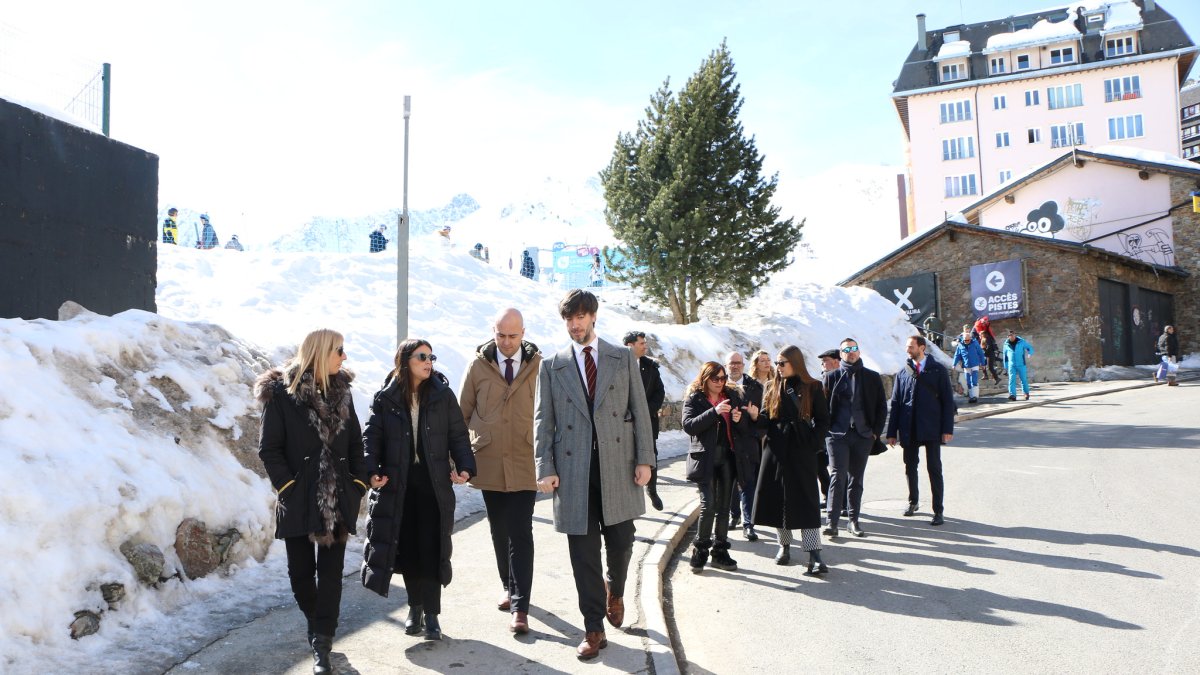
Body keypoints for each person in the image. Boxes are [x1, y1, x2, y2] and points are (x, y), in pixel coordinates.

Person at [534, 289, 654, 661]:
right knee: (582, 554)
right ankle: (593, 628)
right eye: (569, 319)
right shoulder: (552, 365)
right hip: (573, 473)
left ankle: (614, 591)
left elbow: (641, 410)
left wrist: (645, 459)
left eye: (581, 317)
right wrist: (545, 467)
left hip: (618, 466)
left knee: (621, 542)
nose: (575, 324)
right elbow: (543, 421)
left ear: (593, 316)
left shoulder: (621, 358)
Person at [255, 329, 369, 675]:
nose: (344, 357)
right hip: (298, 498)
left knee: (332, 575)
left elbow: (355, 445)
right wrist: (288, 486)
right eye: (339, 351)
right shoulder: (282, 395)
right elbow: (269, 449)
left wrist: (358, 483)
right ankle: (317, 620)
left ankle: (322, 643)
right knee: (300, 574)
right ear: (321, 353)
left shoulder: (343, 393)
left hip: (337, 499)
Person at [360, 339, 475, 642]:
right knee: (409, 549)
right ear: (405, 360)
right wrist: (371, 471)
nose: (429, 361)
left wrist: (465, 466)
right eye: (422, 356)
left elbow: (458, 435)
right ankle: (415, 608)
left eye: (431, 356)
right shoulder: (386, 398)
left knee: (432, 548)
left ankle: (433, 615)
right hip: (400, 484)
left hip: (434, 483)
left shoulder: (442, 395)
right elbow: (371, 437)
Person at [459, 309, 542, 634]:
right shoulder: (478, 366)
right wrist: (458, 458)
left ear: (523, 333)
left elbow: (550, 414)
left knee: (520, 530)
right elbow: (462, 414)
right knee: (498, 528)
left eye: (513, 336)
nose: (507, 343)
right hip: (490, 460)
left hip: (525, 459)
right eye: (501, 335)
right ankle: (508, 586)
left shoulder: (539, 365)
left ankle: (521, 607)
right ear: (493, 332)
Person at [753, 345, 831, 573]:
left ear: (795, 363)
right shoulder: (771, 386)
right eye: (777, 363)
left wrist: (812, 443)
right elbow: (766, 420)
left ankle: (814, 554)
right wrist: (754, 417)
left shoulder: (813, 387)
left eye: (781, 363)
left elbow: (824, 420)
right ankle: (784, 546)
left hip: (801, 449)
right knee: (778, 499)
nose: (777, 367)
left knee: (806, 500)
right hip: (776, 449)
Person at [683, 361, 752, 572]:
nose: (720, 383)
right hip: (705, 459)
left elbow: (743, 430)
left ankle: (720, 551)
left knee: (724, 508)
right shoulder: (695, 398)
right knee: (708, 505)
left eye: (723, 379)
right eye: (716, 379)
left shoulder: (732, 396)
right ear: (705, 378)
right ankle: (700, 549)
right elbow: (689, 425)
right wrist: (714, 412)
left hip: (728, 458)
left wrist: (739, 419)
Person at [887, 335, 956, 526]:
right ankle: (913, 502)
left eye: (911, 346)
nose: (907, 350)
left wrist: (947, 428)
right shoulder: (902, 373)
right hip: (909, 427)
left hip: (932, 427)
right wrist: (892, 432)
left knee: (934, 468)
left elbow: (947, 401)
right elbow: (896, 404)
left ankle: (938, 510)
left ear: (922, 348)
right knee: (910, 466)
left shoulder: (938, 370)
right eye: (907, 346)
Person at [821, 337, 886, 538]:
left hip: (862, 435)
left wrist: (874, 432)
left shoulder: (872, 377)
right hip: (837, 435)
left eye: (854, 348)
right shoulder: (831, 377)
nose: (851, 352)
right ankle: (832, 522)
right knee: (837, 476)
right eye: (846, 349)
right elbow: (822, 408)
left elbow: (881, 408)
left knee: (856, 479)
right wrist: (826, 432)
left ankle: (853, 520)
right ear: (840, 354)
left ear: (859, 352)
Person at [623, 330, 666, 511]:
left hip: (647, 420)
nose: (645, 346)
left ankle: (652, 490)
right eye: (642, 343)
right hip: (623, 423)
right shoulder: (618, 365)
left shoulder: (650, 367)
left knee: (650, 455)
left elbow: (659, 392)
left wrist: (645, 411)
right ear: (630, 346)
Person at [724, 350, 764, 541]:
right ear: (727, 365)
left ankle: (749, 524)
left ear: (744, 364)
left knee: (748, 483)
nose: (735, 366)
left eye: (738, 363)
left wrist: (755, 417)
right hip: (728, 443)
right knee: (731, 484)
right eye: (732, 363)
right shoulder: (719, 385)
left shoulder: (755, 387)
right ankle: (734, 516)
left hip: (749, 442)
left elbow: (766, 419)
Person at [814, 349, 842, 510]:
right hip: (822, 430)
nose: (822, 363)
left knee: (838, 467)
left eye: (825, 360)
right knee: (819, 463)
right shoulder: (822, 378)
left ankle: (842, 501)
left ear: (837, 361)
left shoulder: (843, 378)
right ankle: (828, 495)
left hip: (837, 430)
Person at [953, 329, 986, 404]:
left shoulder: (975, 343)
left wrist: (983, 363)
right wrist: (954, 364)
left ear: (970, 339)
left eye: (968, 340)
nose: (967, 341)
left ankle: (974, 396)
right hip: (966, 366)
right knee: (968, 382)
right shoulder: (960, 345)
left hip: (975, 364)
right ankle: (971, 397)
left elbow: (981, 353)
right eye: (965, 340)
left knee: (974, 381)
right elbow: (957, 355)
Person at [1002, 330, 1034, 401]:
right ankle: (1012, 395)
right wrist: (1006, 367)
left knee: (1023, 379)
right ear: (1008, 336)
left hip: (1021, 364)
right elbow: (1005, 356)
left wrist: (1030, 353)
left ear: (1015, 335)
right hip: (1011, 365)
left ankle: (1026, 393)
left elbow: (1029, 348)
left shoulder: (1021, 342)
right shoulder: (1006, 344)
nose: (1012, 336)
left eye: (1013, 335)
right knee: (1011, 379)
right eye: (1010, 335)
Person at [973, 315, 1001, 384]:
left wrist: (984, 351)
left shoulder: (986, 339)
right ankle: (993, 376)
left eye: (981, 335)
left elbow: (988, 347)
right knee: (987, 365)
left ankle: (995, 377)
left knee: (990, 367)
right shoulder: (982, 336)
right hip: (988, 354)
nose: (980, 336)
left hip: (989, 353)